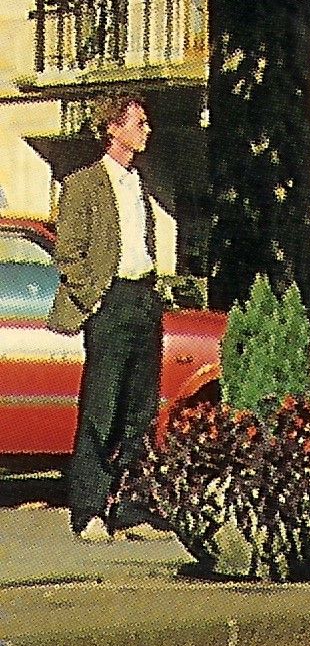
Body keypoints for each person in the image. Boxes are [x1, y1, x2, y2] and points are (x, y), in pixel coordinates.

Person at [53, 94, 170, 542]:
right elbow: (70, 253)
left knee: (140, 409)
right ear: (114, 129)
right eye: (140, 122)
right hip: (111, 300)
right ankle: (88, 511)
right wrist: (94, 297)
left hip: (144, 298)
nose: (147, 130)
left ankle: (133, 507)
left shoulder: (140, 184)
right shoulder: (83, 184)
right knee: (101, 407)